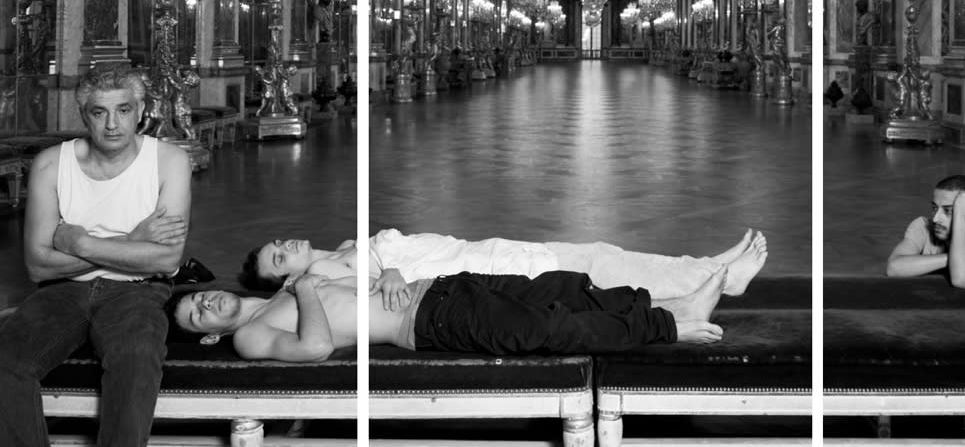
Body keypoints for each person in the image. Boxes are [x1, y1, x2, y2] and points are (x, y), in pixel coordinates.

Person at [0, 65, 193, 446]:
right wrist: (132, 240)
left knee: (136, 357)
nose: (112, 124)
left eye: (123, 110)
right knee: (5, 363)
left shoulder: (168, 160)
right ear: (83, 115)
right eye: (99, 112)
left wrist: (81, 244)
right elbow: (38, 265)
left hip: (138, 290)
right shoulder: (52, 163)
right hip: (61, 290)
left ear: (140, 111)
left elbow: (165, 260)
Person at [172, 268, 728, 361]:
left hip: (438, 288)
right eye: (198, 317)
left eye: (198, 298)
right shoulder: (251, 336)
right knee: (544, 329)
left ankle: (673, 305)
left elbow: (369, 276)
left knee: (563, 287)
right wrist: (310, 291)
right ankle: (668, 327)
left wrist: (390, 272)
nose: (205, 305)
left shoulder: (283, 289)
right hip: (427, 324)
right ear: (209, 337)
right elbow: (316, 347)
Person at [241, 228, 768, 306]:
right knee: (603, 267)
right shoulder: (321, 278)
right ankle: (720, 278)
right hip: (485, 270)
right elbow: (374, 289)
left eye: (278, 242)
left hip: (478, 251)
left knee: (604, 257)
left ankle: (711, 267)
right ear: (288, 278)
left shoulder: (339, 249)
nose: (287, 245)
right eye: (280, 257)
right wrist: (389, 273)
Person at [886, 175, 965, 288]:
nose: (935, 219)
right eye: (934, 208)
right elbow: (893, 268)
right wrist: (955, 259)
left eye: (948, 211)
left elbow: (962, 280)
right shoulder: (923, 226)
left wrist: (961, 213)